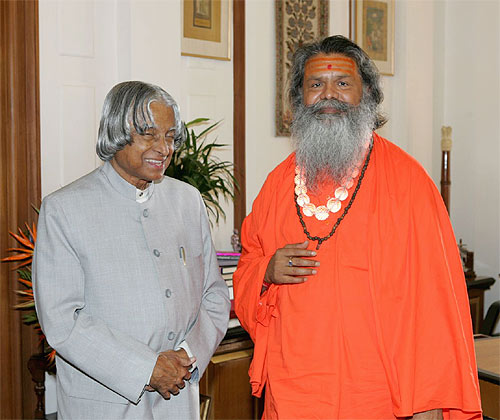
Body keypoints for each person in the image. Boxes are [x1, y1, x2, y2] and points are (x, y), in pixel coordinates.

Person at [233, 36, 482, 419]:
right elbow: (247, 265)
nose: (328, 95)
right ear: (299, 99)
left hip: (380, 397)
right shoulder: (277, 185)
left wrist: (430, 401)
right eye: (315, 84)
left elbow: (436, 303)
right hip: (294, 392)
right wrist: (265, 270)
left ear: (367, 93)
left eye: (342, 84)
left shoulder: (409, 183)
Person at [33, 81, 230, 419]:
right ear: (115, 132)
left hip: (178, 399)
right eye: (149, 134)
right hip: (102, 405)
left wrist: (187, 356)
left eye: (170, 136)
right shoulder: (64, 209)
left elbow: (213, 294)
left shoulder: (187, 200)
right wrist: (146, 368)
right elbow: (62, 321)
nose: (164, 148)